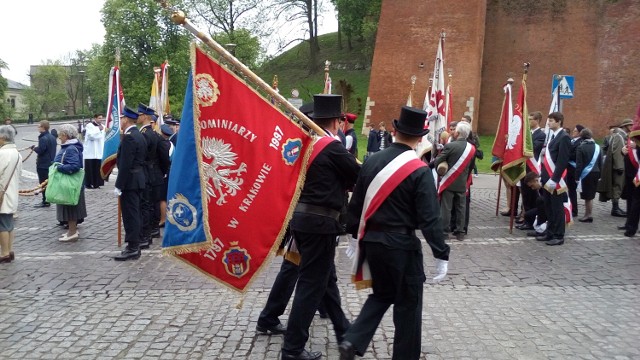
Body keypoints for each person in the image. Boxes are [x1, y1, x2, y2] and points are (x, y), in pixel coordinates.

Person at [339, 106, 450, 360]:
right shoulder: (420, 170)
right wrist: (441, 253)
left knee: (382, 294)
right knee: (409, 304)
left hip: (372, 242)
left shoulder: (371, 161)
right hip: (401, 244)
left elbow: (356, 202)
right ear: (420, 137)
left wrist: (354, 236)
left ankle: (352, 340)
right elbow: (429, 218)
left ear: (395, 131)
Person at [280, 94, 360, 360]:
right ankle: (291, 350)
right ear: (337, 121)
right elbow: (358, 176)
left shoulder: (308, 144)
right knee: (311, 286)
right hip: (320, 224)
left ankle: (344, 332)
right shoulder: (331, 147)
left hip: (305, 222)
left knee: (326, 281)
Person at [113, 107, 147, 261]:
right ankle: (135, 244)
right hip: (138, 179)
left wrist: (119, 185)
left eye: (121, 119)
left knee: (130, 215)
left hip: (130, 182)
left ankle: (133, 247)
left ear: (126, 119)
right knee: (136, 213)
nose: (120, 121)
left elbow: (125, 164)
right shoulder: (139, 135)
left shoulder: (129, 138)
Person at [434, 121, 475, 241]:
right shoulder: (471, 148)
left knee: (446, 207)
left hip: (449, 181)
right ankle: (460, 232)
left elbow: (438, 160)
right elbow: (472, 166)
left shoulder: (450, 146)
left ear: (457, 133)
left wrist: (442, 166)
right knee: (461, 208)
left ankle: (444, 232)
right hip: (462, 182)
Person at [539, 112, 571, 246]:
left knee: (557, 208)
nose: (548, 123)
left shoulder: (564, 137)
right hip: (547, 178)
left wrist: (555, 178)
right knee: (549, 207)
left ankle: (559, 235)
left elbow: (562, 160)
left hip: (556, 180)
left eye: (551, 121)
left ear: (559, 122)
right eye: (548, 120)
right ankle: (550, 232)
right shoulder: (551, 136)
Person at [137, 104, 167, 245]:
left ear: (144, 116)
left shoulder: (144, 135)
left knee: (147, 204)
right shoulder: (154, 134)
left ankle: (148, 231)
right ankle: (154, 228)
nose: (137, 116)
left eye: (139, 114)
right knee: (153, 203)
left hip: (148, 172)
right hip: (155, 172)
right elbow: (163, 158)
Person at [53, 124, 88, 242]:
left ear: (66, 136)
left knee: (70, 208)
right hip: (69, 183)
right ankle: (71, 231)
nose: (59, 138)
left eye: (60, 135)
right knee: (68, 207)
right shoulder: (70, 146)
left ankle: (72, 232)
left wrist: (59, 168)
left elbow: (75, 166)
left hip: (70, 184)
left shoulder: (71, 148)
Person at [598, 118, 632, 217]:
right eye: (629, 125)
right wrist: (619, 167)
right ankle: (615, 208)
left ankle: (616, 208)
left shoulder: (622, 136)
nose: (631, 127)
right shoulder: (619, 136)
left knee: (618, 186)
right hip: (619, 167)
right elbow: (617, 152)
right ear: (624, 126)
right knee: (617, 186)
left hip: (619, 165)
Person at [0, 125, 22, 263]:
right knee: (9, 224)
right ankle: (9, 249)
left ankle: (4, 253)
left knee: (2, 224)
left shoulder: (3, 153)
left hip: (2, 192)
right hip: (12, 191)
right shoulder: (17, 153)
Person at [575, 128, 602, 223]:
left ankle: (588, 215)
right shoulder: (598, 147)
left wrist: (577, 177)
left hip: (586, 174)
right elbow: (600, 162)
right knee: (590, 195)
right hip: (596, 173)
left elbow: (579, 164)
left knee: (587, 196)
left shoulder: (581, 147)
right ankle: (588, 214)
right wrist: (600, 174)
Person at [31, 120, 57, 207]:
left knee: (43, 182)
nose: (38, 128)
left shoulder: (43, 138)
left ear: (43, 127)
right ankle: (47, 199)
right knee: (48, 182)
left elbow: (41, 151)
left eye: (39, 126)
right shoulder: (52, 137)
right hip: (50, 162)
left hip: (43, 164)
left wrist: (34, 148)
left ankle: (45, 201)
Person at [83, 114, 106, 189]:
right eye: (99, 118)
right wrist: (98, 130)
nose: (101, 120)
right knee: (90, 168)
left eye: (101, 118)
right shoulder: (89, 126)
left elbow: (103, 137)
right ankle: (88, 183)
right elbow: (91, 136)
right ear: (95, 118)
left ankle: (97, 183)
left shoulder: (103, 126)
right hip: (90, 151)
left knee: (97, 168)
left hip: (99, 150)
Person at [567, 124, 585, 217]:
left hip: (573, 169)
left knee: (572, 190)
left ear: (579, 133)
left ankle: (574, 210)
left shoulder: (580, 143)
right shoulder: (573, 141)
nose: (573, 132)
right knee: (569, 190)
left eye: (575, 131)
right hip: (569, 168)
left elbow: (574, 156)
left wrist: (565, 154)